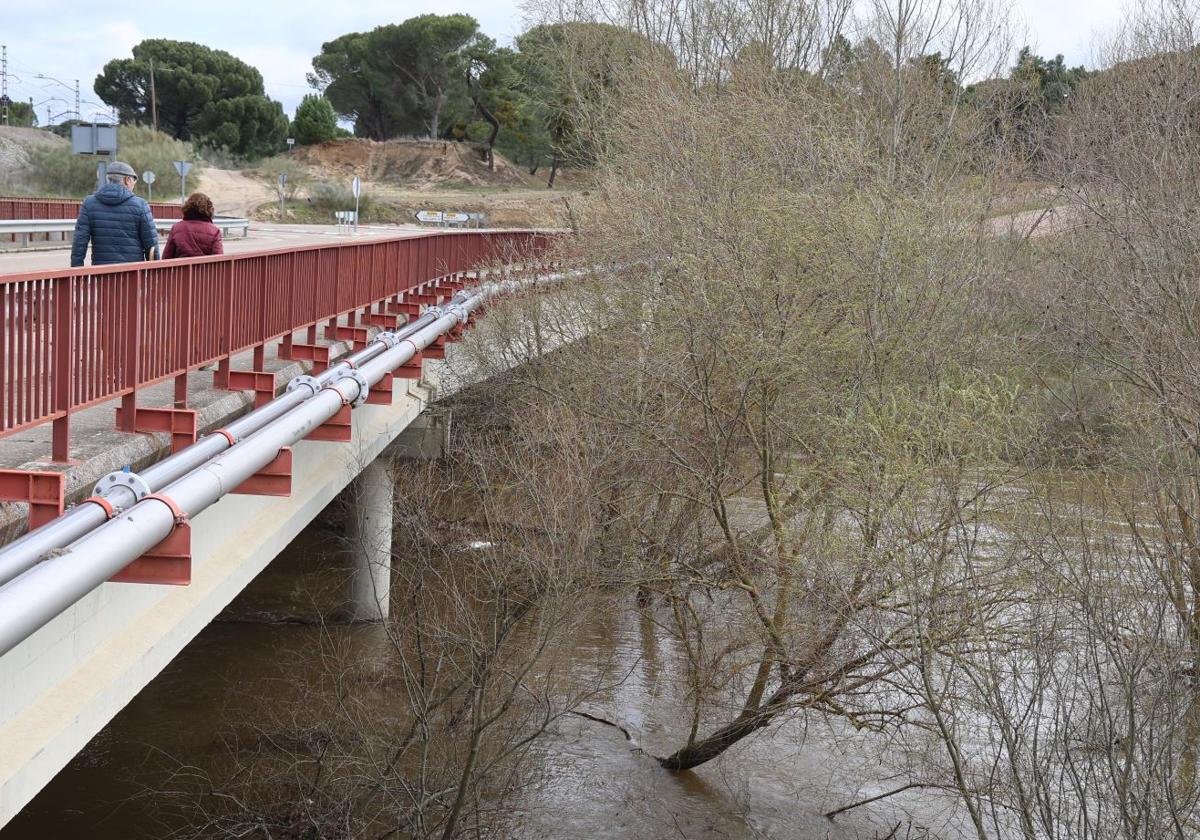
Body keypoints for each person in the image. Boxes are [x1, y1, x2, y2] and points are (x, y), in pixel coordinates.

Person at [70, 161, 158, 267]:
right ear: (127, 180)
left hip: (102, 273)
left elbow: (79, 243)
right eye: (134, 181)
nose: (133, 185)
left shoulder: (89, 203)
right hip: (132, 273)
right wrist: (154, 274)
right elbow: (151, 245)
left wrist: (77, 272)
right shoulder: (140, 205)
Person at [162, 192, 224, 259]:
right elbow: (218, 260)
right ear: (209, 209)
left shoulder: (177, 228)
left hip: (182, 269)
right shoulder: (214, 231)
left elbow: (166, 257)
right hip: (205, 269)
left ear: (187, 207)